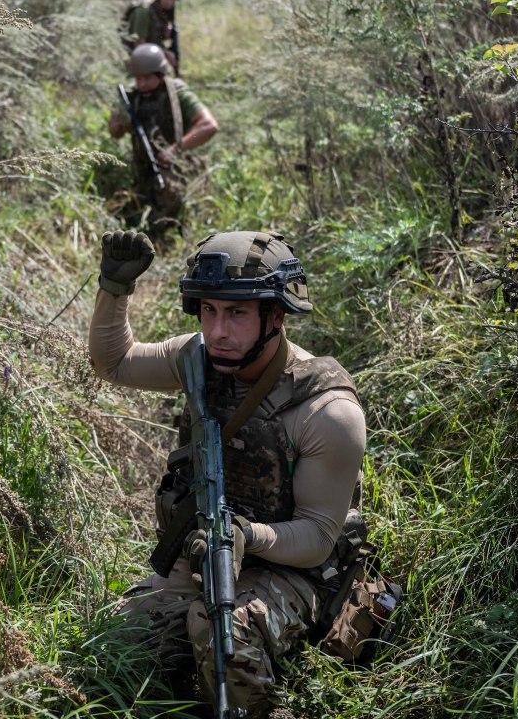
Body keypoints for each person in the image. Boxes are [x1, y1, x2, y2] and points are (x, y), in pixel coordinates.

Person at [88, 229, 368, 717]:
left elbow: (320, 536)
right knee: (116, 644)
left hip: (296, 569)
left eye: (237, 313)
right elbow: (114, 362)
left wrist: (247, 536)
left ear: (276, 316)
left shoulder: (326, 411)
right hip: (204, 554)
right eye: (209, 310)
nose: (218, 329)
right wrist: (115, 288)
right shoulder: (198, 359)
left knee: (223, 633)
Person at [108, 44, 218, 239]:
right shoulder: (133, 98)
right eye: (138, 78)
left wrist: (175, 149)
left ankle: (165, 236)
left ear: (160, 74)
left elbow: (209, 125)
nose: (141, 84)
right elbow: (115, 133)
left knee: (170, 195)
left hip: (176, 166)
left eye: (148, 78)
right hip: (142, 169)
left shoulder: (177, 94)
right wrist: (119, 122)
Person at [122, 0, 183, 74]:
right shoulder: (143, 11)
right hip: (133, 55)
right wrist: (163, 54)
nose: (169, 2)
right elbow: (139, 45)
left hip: (149, 51)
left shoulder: (164, 12)